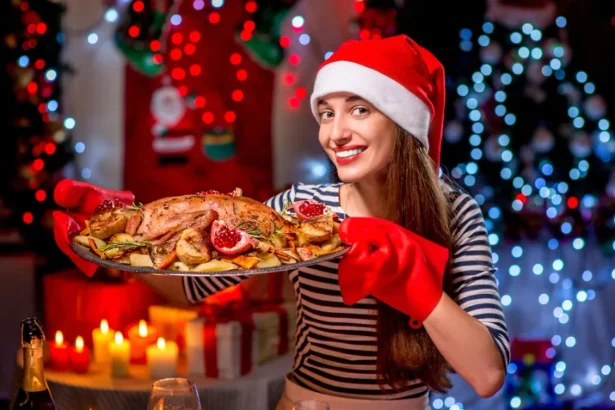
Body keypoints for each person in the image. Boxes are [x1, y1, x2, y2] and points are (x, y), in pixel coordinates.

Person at [54, 35, 509, 410]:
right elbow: (190, 285)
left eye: (359, 109)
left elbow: (488, 375)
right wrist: (109, 244)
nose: (336, 133)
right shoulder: (298, 206)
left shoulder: (456, 214)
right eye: (327, 113)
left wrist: (421, 292)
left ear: (404, 121)